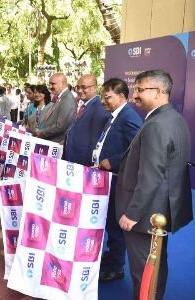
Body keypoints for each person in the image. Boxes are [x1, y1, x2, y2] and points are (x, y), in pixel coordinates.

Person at [115, 69, 192, 299]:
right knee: (155, 265)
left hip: (147, 213)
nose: (134, 95)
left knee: (144, 271)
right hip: (160, 208)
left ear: (158, 91)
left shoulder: (157, 124)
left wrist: (133, 213)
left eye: (140, 89)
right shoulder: (174, 118)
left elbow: (151, 174)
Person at [93, 78, 143, 282]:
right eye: (102, 97)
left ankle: (115, 267)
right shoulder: (114, 115)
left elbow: (137, 150)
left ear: (122, 97)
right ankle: (111, 259)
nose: (103, 101)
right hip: (106, 178)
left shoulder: (129, 117)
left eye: (108, 97)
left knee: (114, 226)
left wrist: (112, 161)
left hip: (117, 179)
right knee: (108, 223)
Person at [63, 74, 110, 166]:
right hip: (72, 159)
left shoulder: (99, 107)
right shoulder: (84, 105)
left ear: (95, 88)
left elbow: (95, 141)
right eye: (78, 87)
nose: (80, 90)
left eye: (84, 87)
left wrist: (90, 165)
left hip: (84, 163)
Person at [34, 73, 76, 144]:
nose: (50, 87)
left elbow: (61, 126)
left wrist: (42, 132)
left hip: (56, 143)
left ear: (63, 83)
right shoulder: (62, 97)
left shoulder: (67, 99)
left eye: (53, 84)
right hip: (51, 140)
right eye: (49, 84)